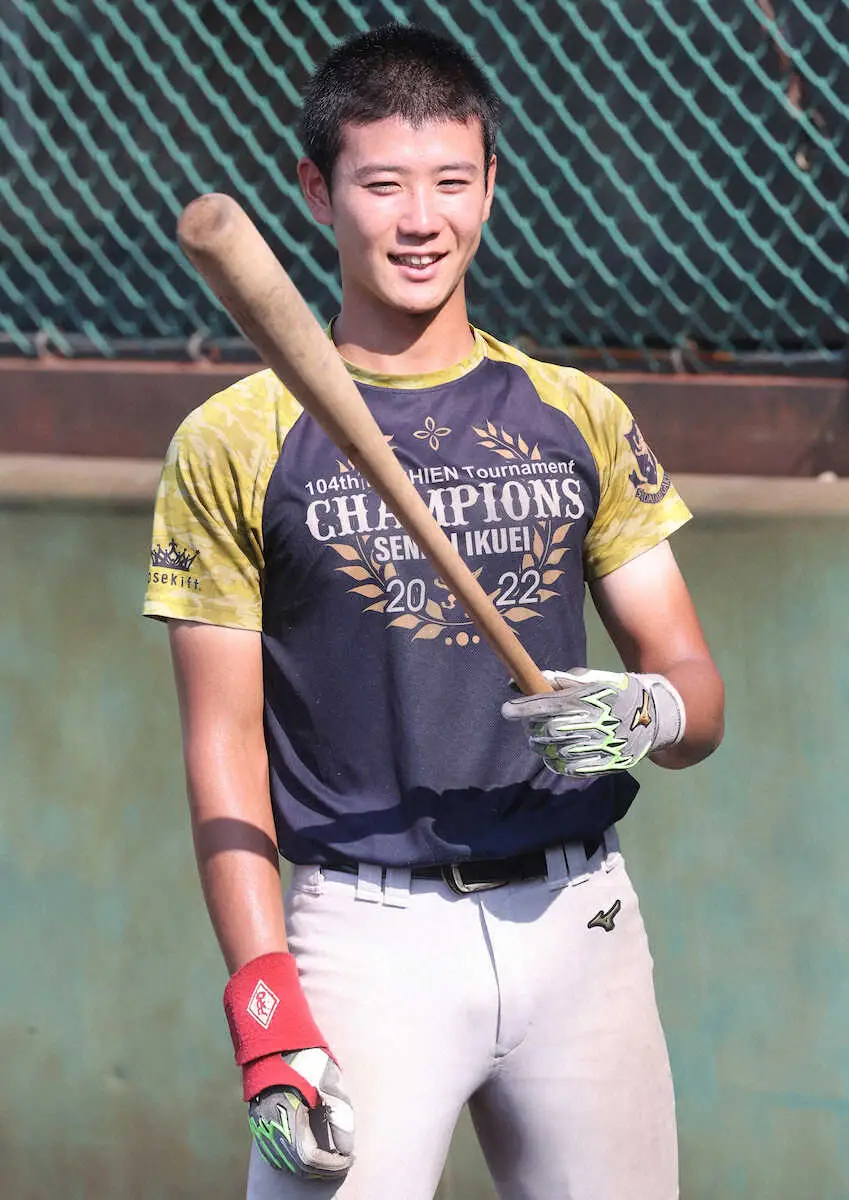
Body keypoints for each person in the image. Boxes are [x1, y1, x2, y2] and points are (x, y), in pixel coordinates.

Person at [144, 23, 724, 1200]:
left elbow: (698, 692)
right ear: (318, 190)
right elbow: (222, 744)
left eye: (454, 182)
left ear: (492, 186)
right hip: (362, 941)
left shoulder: (577, 414)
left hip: (581, 923)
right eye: (385, 184)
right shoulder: (236, 441)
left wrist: (647, 709)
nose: (424, 220)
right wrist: (267, 1009)